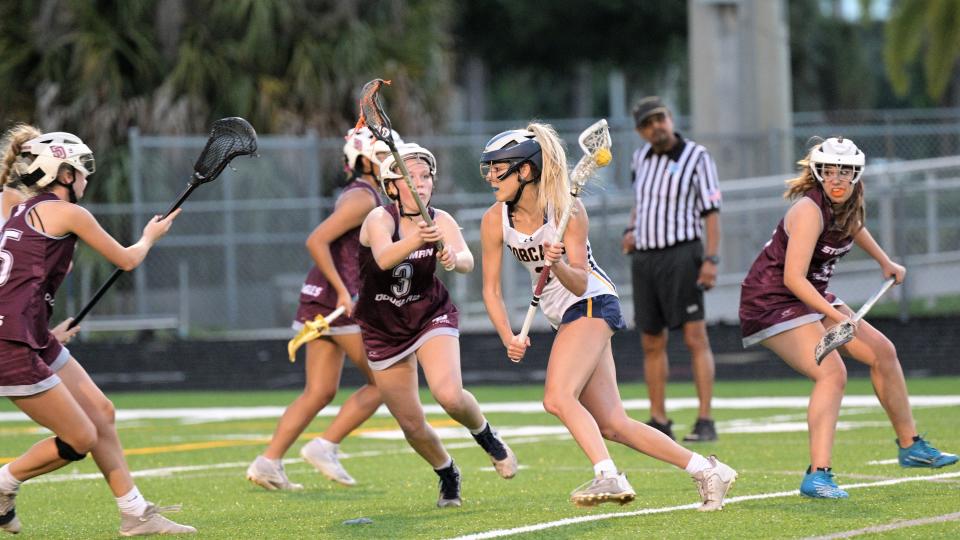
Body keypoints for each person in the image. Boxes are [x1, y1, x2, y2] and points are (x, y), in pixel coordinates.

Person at [479, 123, 736, 510]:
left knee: (557, 397)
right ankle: (707, 470)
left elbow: (580, 282)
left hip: (592, 303)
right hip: (564, 314)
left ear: (525, 171)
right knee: (614, 423)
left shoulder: (569, 209)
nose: (490, 177)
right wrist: (507, 335)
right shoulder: (494, 220)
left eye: (499, 168)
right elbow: (491, 290)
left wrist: (559, 262)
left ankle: (608, 475)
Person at [0, 127, 195, 535]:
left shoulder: (18, 208)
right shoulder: (69, 212)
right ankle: (4, 483)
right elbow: (126, 260)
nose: (86, 179)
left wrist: (47, 325)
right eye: (81, 171)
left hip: (31, 332)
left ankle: (135, 514)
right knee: (80, 437)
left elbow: (25, 275)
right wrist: (149, 236)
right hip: (11, 342)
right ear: (63, 174)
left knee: (101, 412)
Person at [739, 136, 957, 499]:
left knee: (882, 352)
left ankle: (911, 446)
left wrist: (885, 261)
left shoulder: (848, 202)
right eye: (829, 172)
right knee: (832, 372)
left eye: (846, 172)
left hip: (811, 296)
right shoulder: (809, 211)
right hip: (771, 301)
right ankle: (818, 475)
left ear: (856, 174)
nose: (838, 179)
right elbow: (792, 278)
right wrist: (833, 315)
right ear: (818, 172)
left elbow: (853, 226)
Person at [354, 142, 517, 508]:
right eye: (409, 177)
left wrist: (451, 256)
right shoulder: (379, 220)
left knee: (448, 394)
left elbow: (466, 261)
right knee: (412, 425)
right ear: (392, 186)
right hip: (383, 326)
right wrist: (417, 238)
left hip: (430, 314)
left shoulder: (439, 219)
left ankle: (487, 437)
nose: (420, 183)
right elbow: (382, 258)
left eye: (425, 176)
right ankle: (447, 471)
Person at [246, 127, 393, 490]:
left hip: (320, 299)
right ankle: (325, 446)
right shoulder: (364, 198)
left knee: (320, 391)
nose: (394, 162)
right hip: (338, 301)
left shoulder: (368, 195)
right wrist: (345, 290)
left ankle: (268, 462)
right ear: (367, 160)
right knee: (386, 382)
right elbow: (317, 239)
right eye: (387, 155)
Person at [622, 96, 722, 442]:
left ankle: (705, 418)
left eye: (660, 118)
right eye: (648, 123)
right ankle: (658, 418)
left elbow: (711, 212)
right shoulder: (640, 158)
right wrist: (631, 231)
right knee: (651, 340)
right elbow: (640, 203)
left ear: (671, 117)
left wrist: (711, 259)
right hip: (646, 258)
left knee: (695, 337)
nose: (656, 127)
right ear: (640, 131)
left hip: (682, 253)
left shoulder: (697, 157)